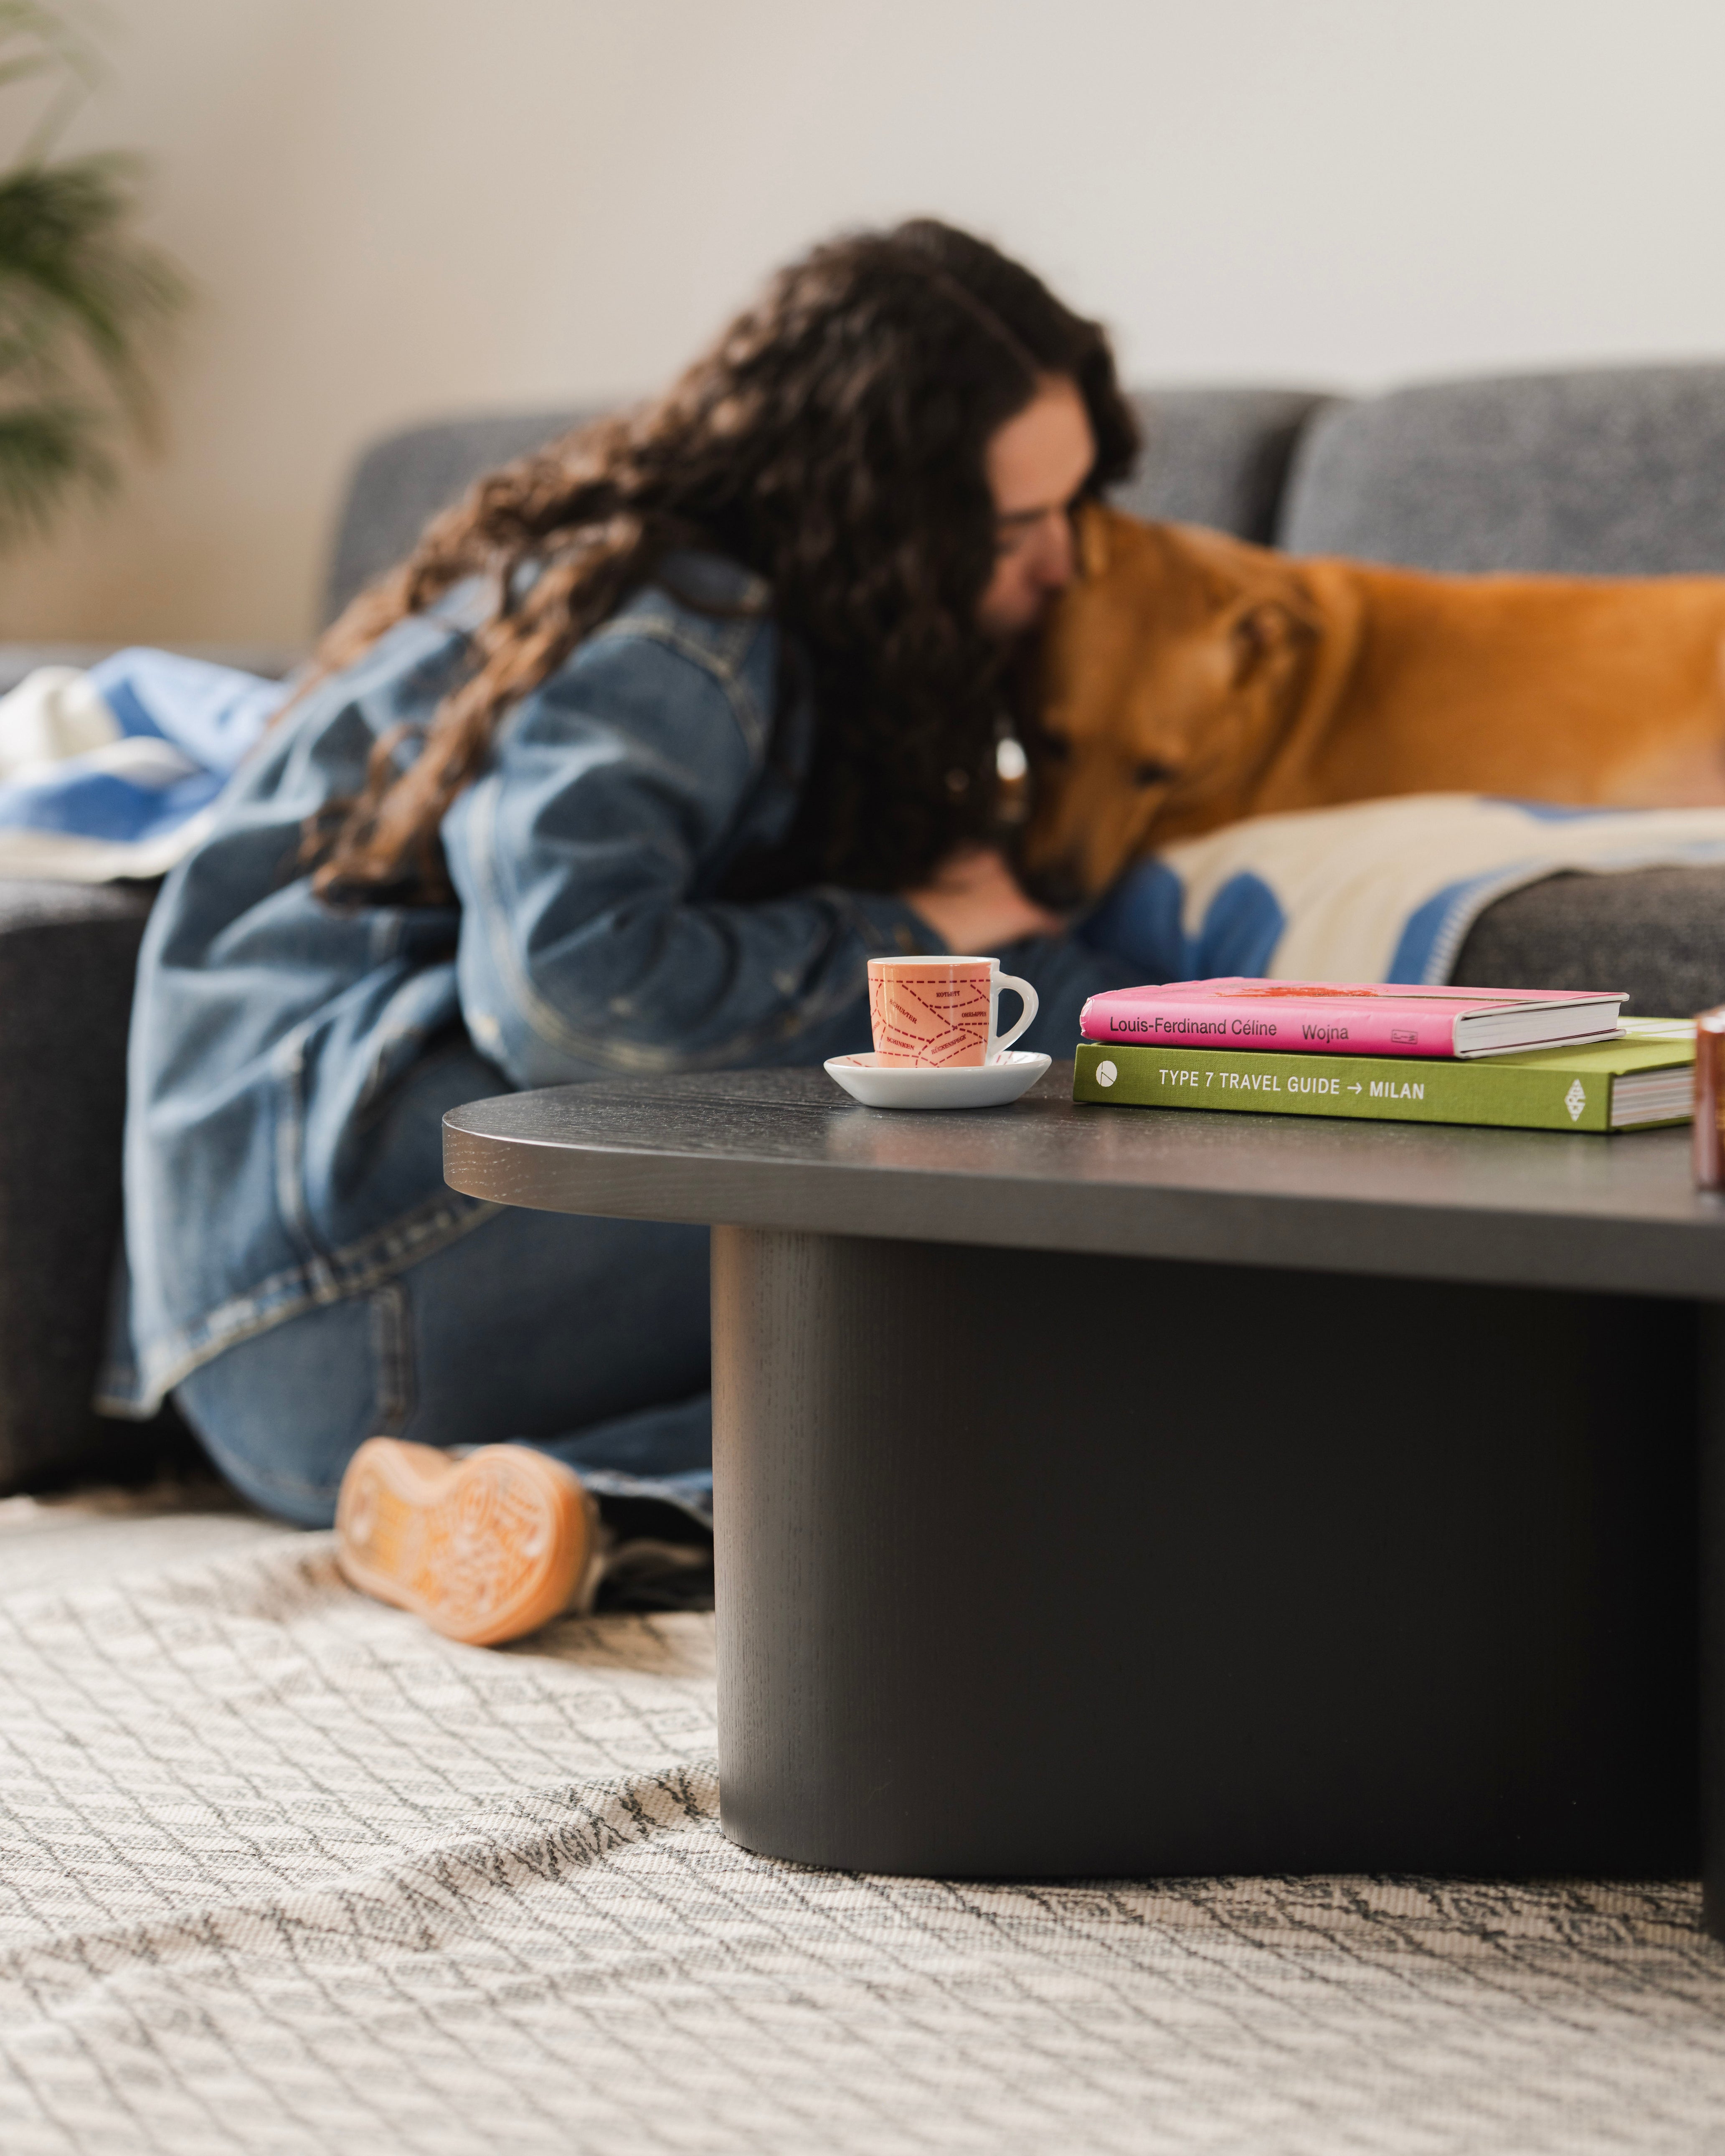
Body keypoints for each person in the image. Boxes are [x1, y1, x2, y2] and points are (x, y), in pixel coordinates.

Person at [99, 218, 1147, 1642]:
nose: (1062, 567)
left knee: (963, 1262)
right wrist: (919, 925)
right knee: (991, 1155)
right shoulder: (679, 626)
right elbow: (573, 997)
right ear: (881, 511)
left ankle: (563, 1505)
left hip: (296, 1361)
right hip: (349, 1298)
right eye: (1013, 525)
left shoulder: (722, 620)